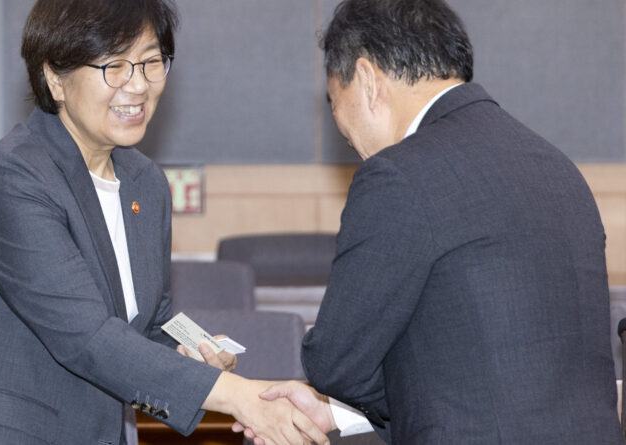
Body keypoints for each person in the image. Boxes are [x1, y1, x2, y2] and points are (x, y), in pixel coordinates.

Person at [0, 1, 327, 445]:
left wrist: (194, 354)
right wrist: (239, 396)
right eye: (114, 66)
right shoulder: (12, 178)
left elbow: (148, 325)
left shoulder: (146, 183)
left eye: (151, 62)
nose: (137, 85)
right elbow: (88, 338)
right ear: (55, 78)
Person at [241, 0, 625, 443]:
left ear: (366, 79)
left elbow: (337, 361)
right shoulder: (557, 167)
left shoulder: (397, 175)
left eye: (339, 114)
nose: (355, 147)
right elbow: (513, 366)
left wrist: (388, 403)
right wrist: (344, 415)